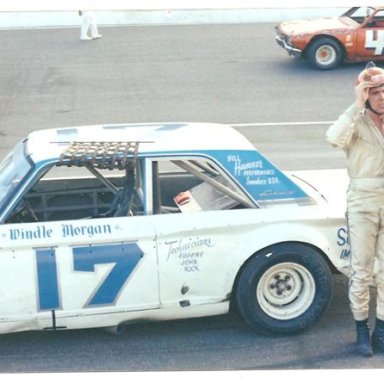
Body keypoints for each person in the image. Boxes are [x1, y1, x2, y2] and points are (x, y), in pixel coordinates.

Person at [326, 62, 384, 357]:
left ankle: (382, 333)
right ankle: (361, 330)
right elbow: (333, 138)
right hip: (362, 199)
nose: (381, 96)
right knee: (362, 271)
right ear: (365, 93)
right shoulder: (355, 122)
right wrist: (355, 106)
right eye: (374, 91)